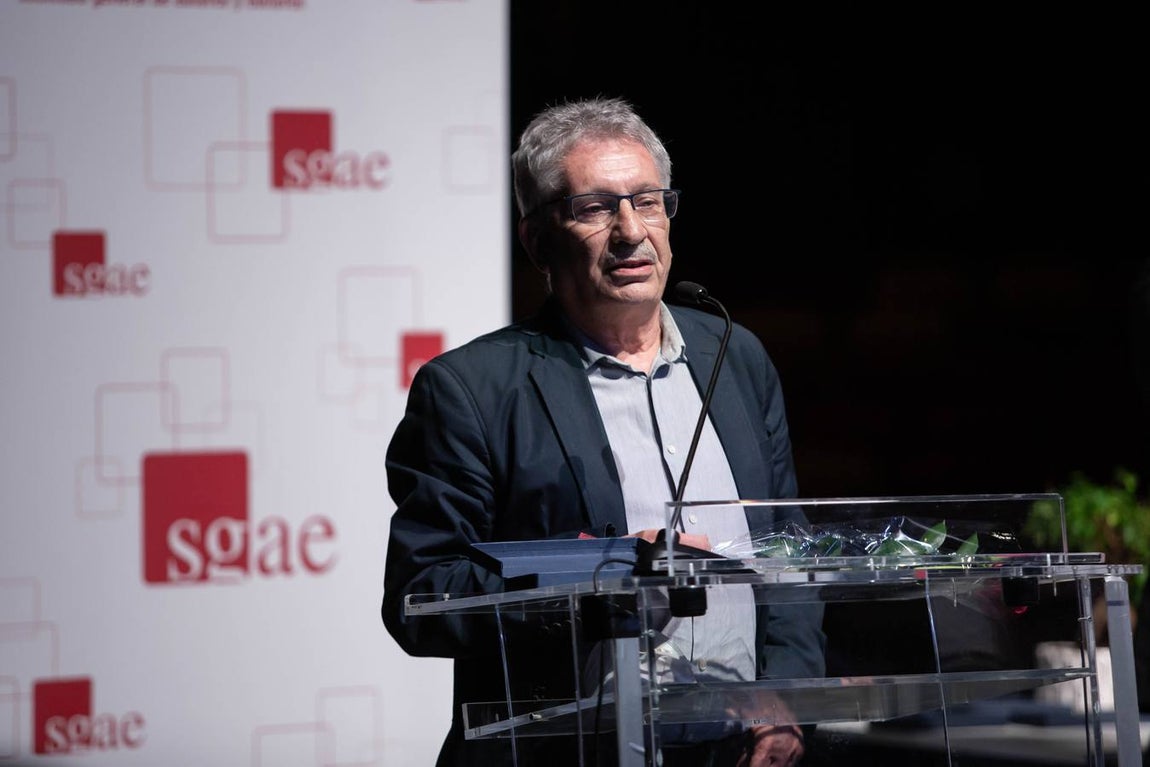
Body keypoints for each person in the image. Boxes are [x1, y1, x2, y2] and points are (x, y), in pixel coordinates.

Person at [381, 96, 826, 766]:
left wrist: (788, 700)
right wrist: (604, 586)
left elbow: (788, 556)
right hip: (570, 750)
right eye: (595, 207)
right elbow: (424, 595)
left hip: (735, 752)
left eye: (648, 201)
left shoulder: (736, 356)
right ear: (537, 239)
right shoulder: (472, 390)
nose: (629, 231)